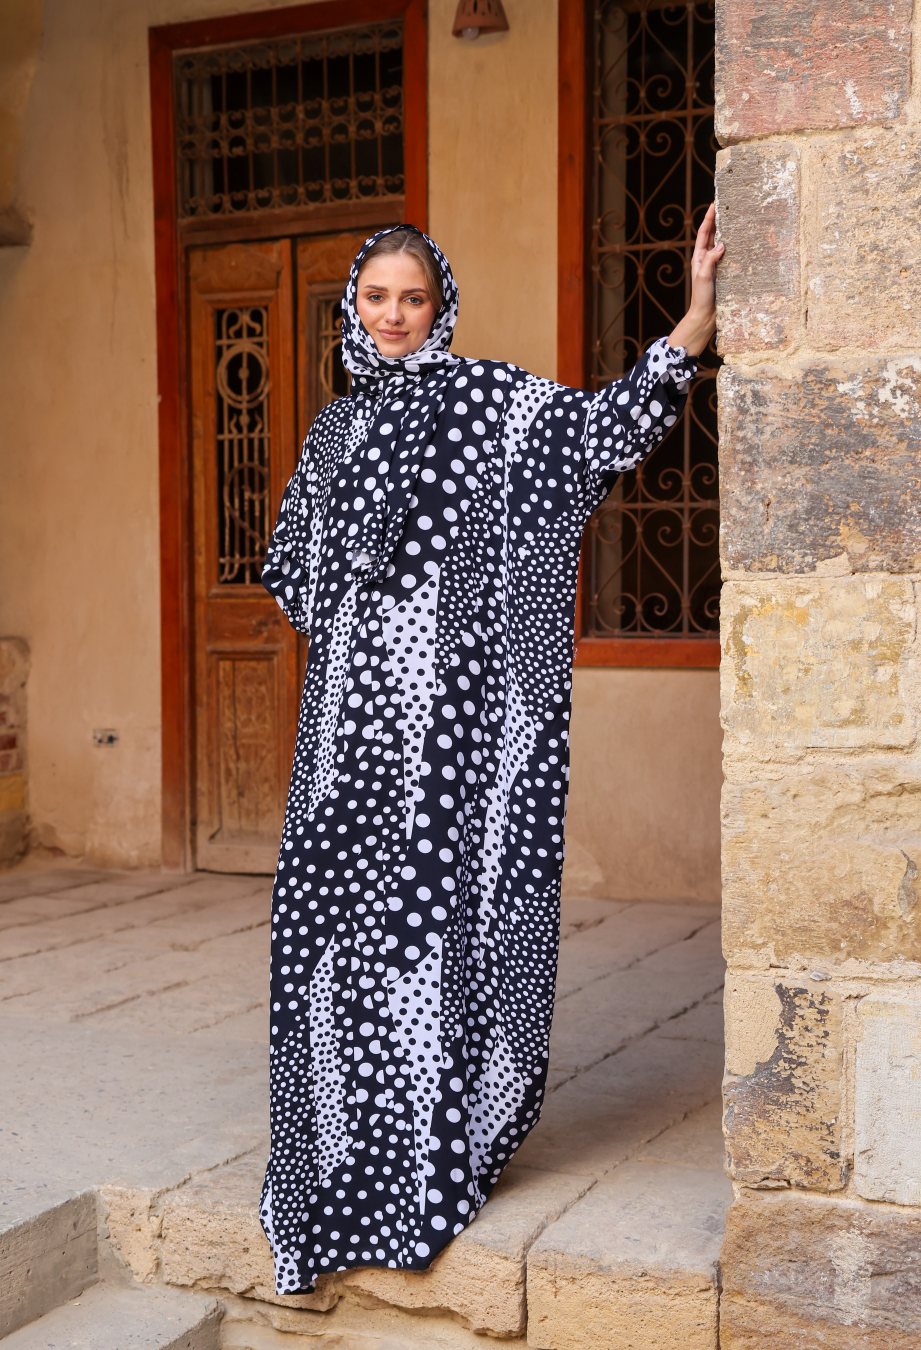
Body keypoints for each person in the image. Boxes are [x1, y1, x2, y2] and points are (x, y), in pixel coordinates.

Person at [259, 210, 725, 1295]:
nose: (394, 315)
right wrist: (368, 638)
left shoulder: (488, 403)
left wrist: (696, 320)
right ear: (353, 306)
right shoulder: (334, 434)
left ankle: (419, 1167)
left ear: (441, 308)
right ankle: (336, 1166)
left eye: (413, 298)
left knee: (428, 946)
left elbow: (602, 432)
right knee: (330, 948)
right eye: (377, 297)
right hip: (344, 746)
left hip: (447, 743)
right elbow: (292, 574)